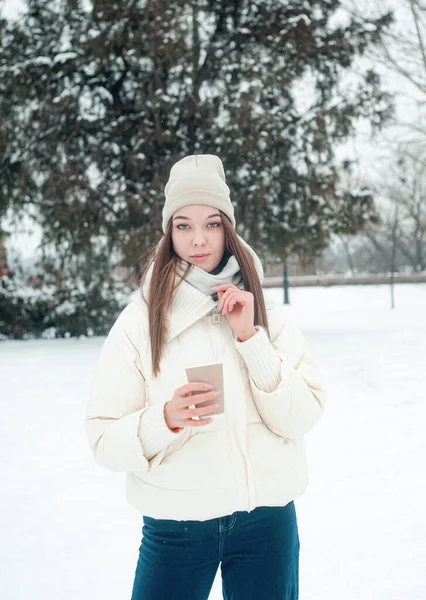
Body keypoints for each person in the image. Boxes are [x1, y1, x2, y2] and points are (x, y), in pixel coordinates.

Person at [85, 154, 325, 600]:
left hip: (266, 521)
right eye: (183, 225)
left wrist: (251, 339)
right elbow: (101, 439)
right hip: (177, 526)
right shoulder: (140, 322)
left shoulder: (265, 314)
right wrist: (166, 419)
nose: (199, 239)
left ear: (228, 228)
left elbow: (300, 418)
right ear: (168, 231)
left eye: (212, 224)